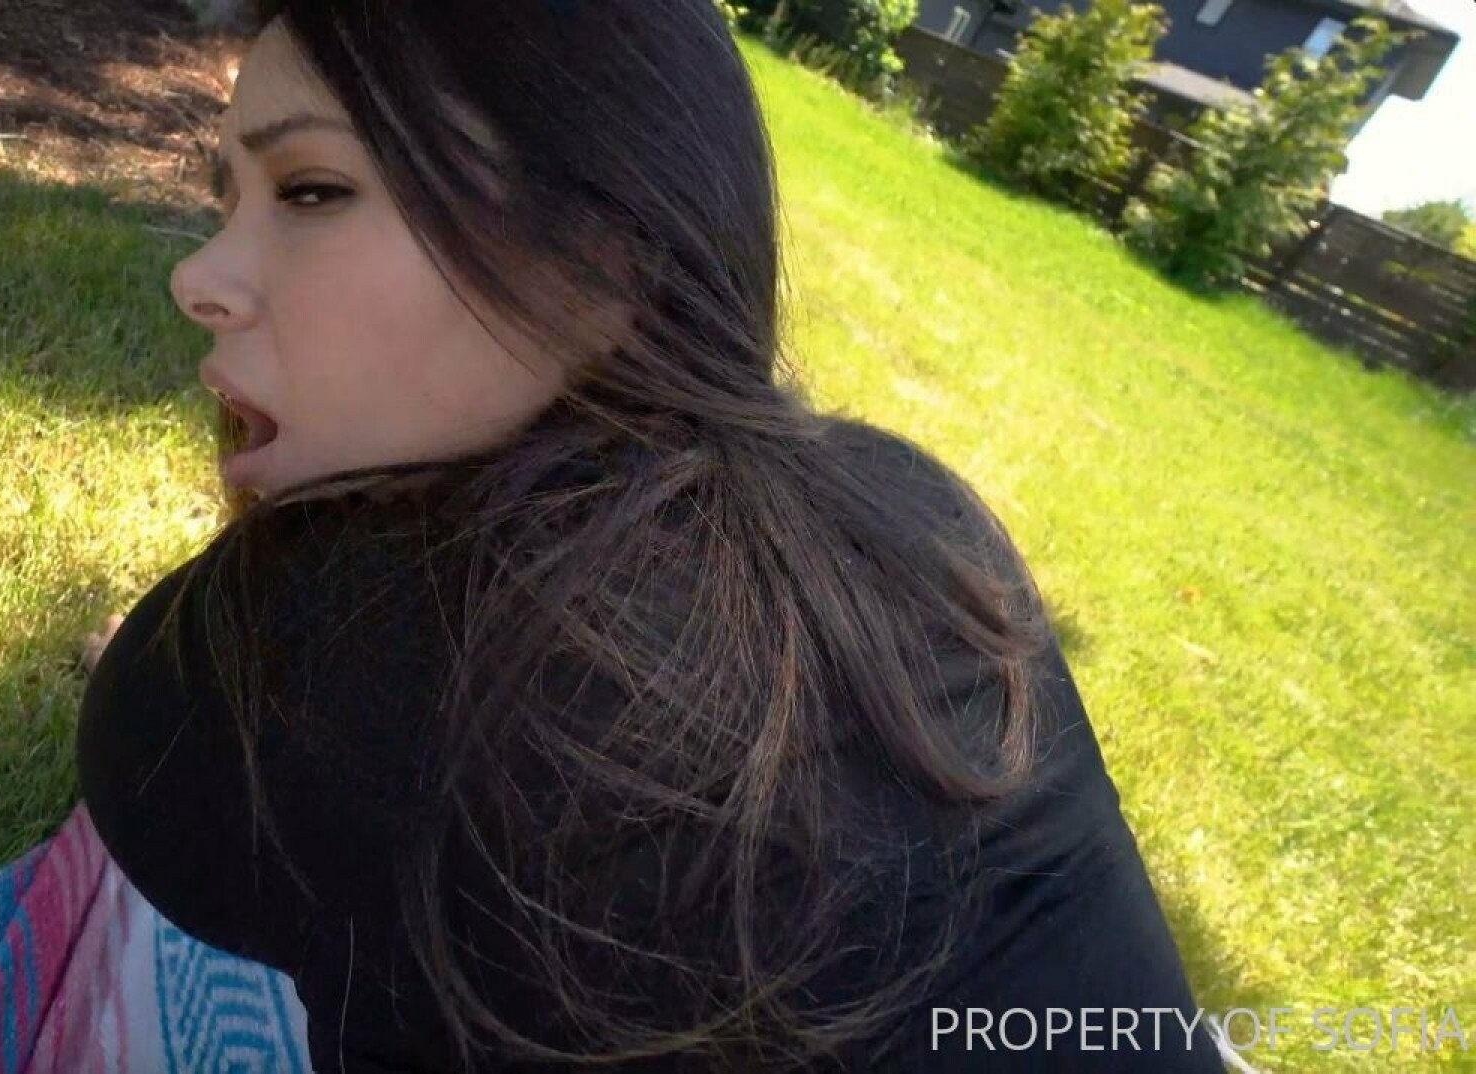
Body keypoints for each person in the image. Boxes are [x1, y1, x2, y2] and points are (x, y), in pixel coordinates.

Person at [76, 2, 1227, 1071]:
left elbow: (164, 783)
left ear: (601, 257)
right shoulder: (919, 509)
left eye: (313, 190)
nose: (198, 278)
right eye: (227, 198)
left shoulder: (319, 672)